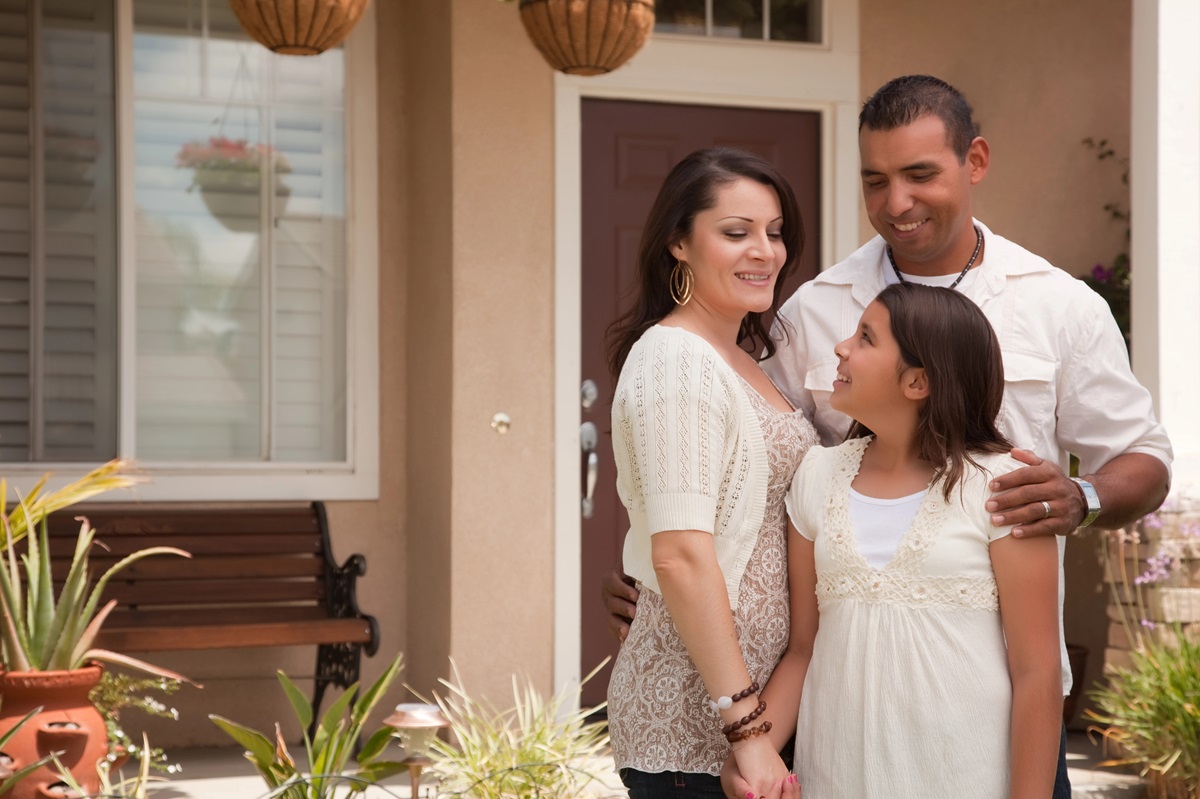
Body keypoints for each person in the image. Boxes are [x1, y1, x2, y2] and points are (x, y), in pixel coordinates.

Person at [602, 75, 1174, 799]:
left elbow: (1147, 458)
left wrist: (1081, 495)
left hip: (991, 708)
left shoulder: (1059, 305)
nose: (896, 202)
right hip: (832, 709)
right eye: (875, 180)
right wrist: (655, 564)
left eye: (920, 174)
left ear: (976, 162)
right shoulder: (809, 309)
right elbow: (720, 452)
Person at [747, 282, 1064, 797]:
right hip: (836, 775)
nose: (841, 347)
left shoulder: (1003, 488)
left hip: (965, 778)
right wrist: (754, 749)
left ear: (918, 381)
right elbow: (803, 650)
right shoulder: (816, 475)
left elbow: (1037, 673)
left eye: (866, 338)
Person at [604, 147, 817, 799]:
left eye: (775, 232)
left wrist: (765, 725)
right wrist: (748, 731)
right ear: (678, 242)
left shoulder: (748, 357)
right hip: (695, 731)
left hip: (756, 719)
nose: (765, 251)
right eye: (736, 232)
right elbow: (681, 556)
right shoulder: (675, 358)